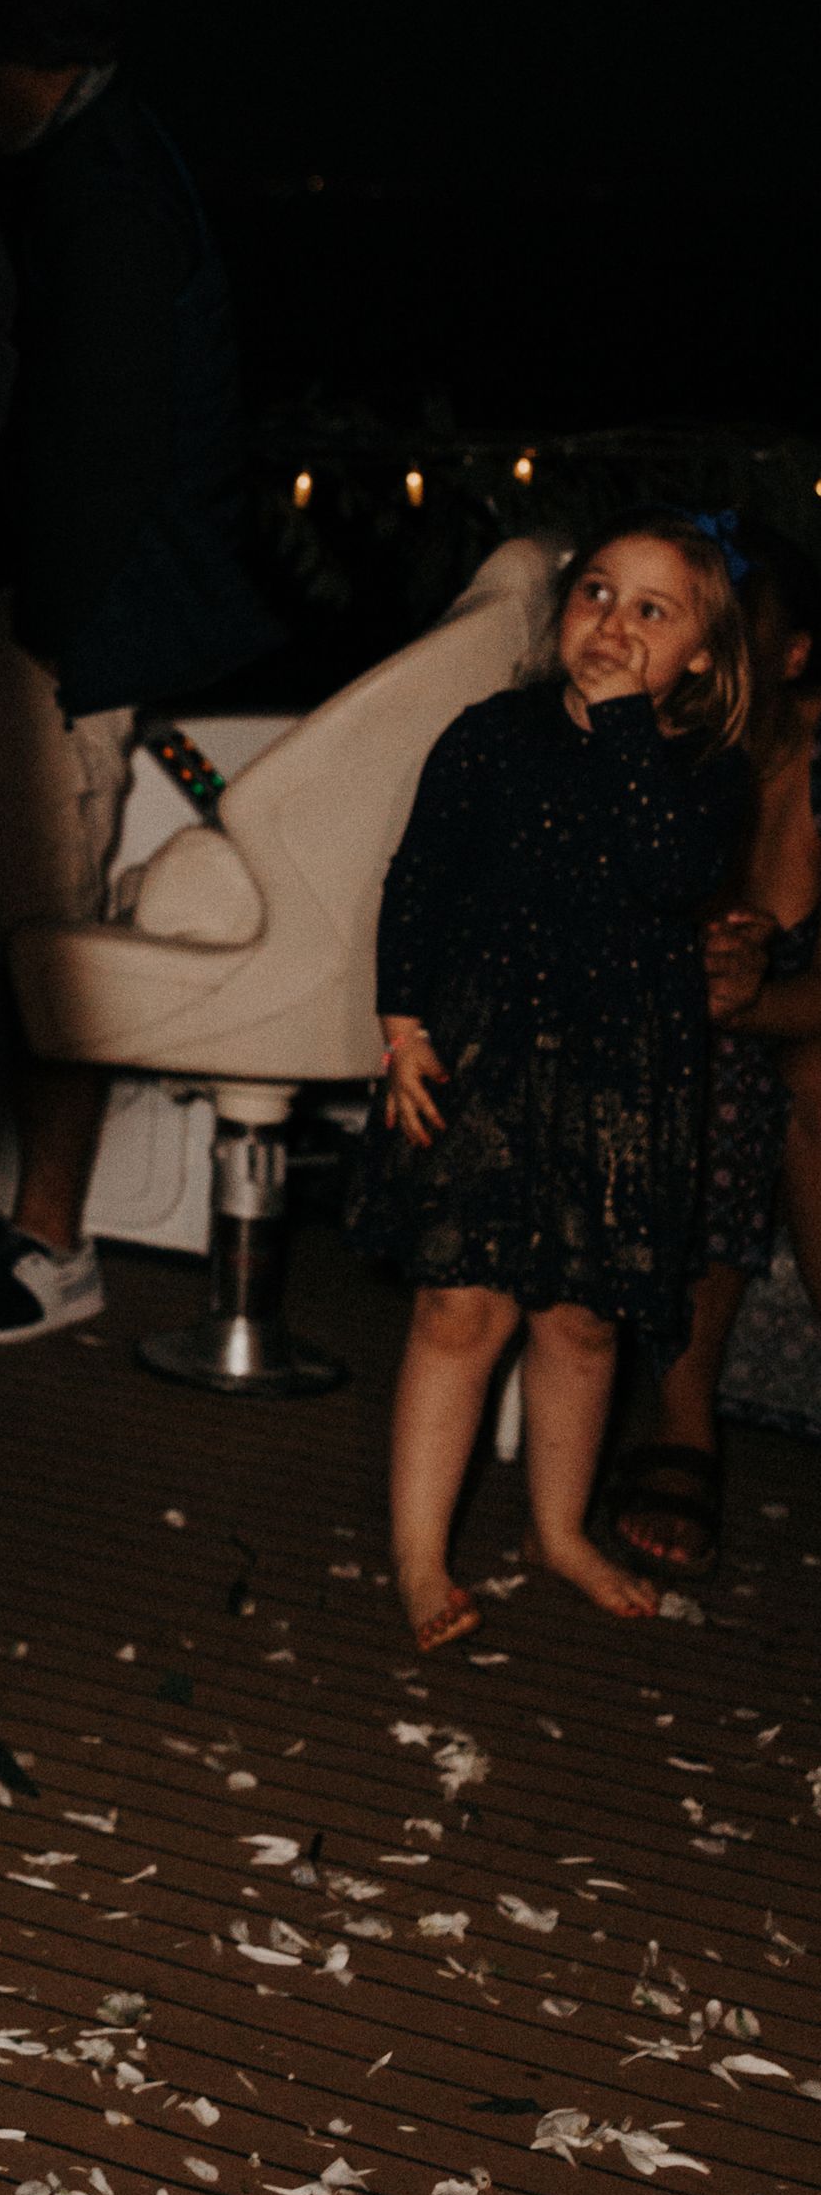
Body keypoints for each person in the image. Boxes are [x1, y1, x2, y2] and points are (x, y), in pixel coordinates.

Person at [0, 0, 279, 1348]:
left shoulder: (104, 194)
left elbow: (105, 458)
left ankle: (52, 1243)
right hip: (37, 616)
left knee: (53, 940)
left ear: (4, 45)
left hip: (73, 637)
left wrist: (53, 650)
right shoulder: (95, 163)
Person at [351, 515, 754, 1657]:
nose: (612, 625)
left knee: (579, 1323)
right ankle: (419, 1553)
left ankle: (559, 1532)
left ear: (704, 662)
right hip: (482, 1058)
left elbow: (669, 869)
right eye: (594, 592)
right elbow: (417, 879)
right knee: (458, 1307)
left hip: (621, 1076)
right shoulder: (488, 737)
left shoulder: (706, 775)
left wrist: (627, 725)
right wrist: (400, 1026)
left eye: (651, 611)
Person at [604, 535, 821, 1575]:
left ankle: (684, 1421)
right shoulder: (657, 754)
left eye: (747, 633)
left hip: (801, 1038)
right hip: (700, 1036)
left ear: (791, 656)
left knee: (795, 1090)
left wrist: (756, 997)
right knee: (711, 1074)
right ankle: (667, 1415)